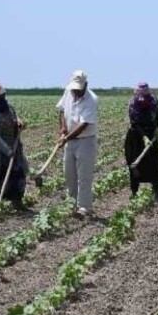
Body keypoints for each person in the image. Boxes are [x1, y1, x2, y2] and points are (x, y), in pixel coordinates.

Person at [56, 70, 99, 216]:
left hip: (85, 141)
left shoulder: (91, 99)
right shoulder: (68, 92)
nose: (76, 91)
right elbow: (61, 110)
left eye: (78, 89)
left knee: (84, 176)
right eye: (74, 88)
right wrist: (63, 129)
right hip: (70, 140)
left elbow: (83, 125)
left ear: (86, 85)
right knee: (69, 174)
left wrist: (67, 138)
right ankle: (71, 204)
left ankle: (85, 207)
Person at [0, 82, 29, 210]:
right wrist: (7, 151)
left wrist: (19, 122)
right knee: (0, 176)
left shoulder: (9, 107)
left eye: (3, 95)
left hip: (14, 146)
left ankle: (17, 202)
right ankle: (0, 205)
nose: (2, 98)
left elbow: (16, 119)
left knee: (17, 175)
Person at [124, 82, 158, 202]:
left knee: (153, 162)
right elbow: (134, 123)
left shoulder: (154, 101)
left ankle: (156, 191)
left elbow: (157, 117)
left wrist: (156, 129)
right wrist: (143, 137)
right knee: (135, 163)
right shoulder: (133, 103)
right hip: (136, 136)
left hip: (151, 134)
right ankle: (134, 192)